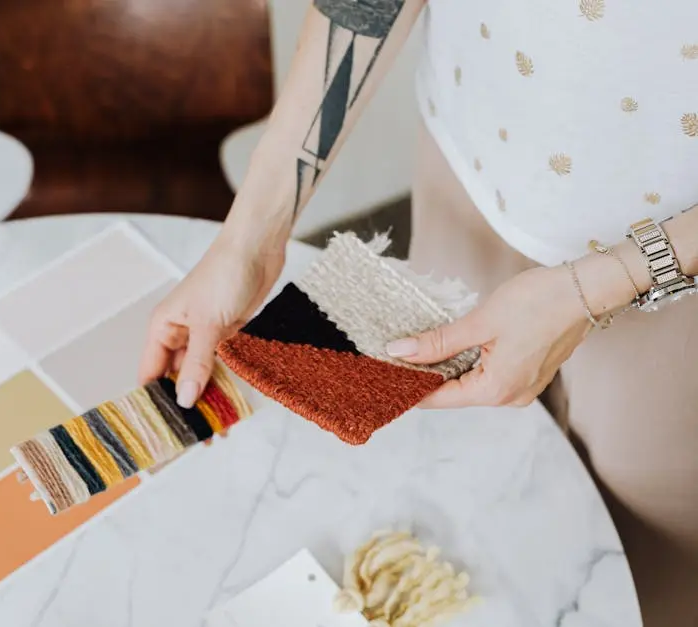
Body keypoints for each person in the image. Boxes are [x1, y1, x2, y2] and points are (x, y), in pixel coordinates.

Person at [138, 1, 698, 623]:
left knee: (645, 579)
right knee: (458, 508)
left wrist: (605, 284)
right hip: (467, 170)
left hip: (676, 282)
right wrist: (249, 235)